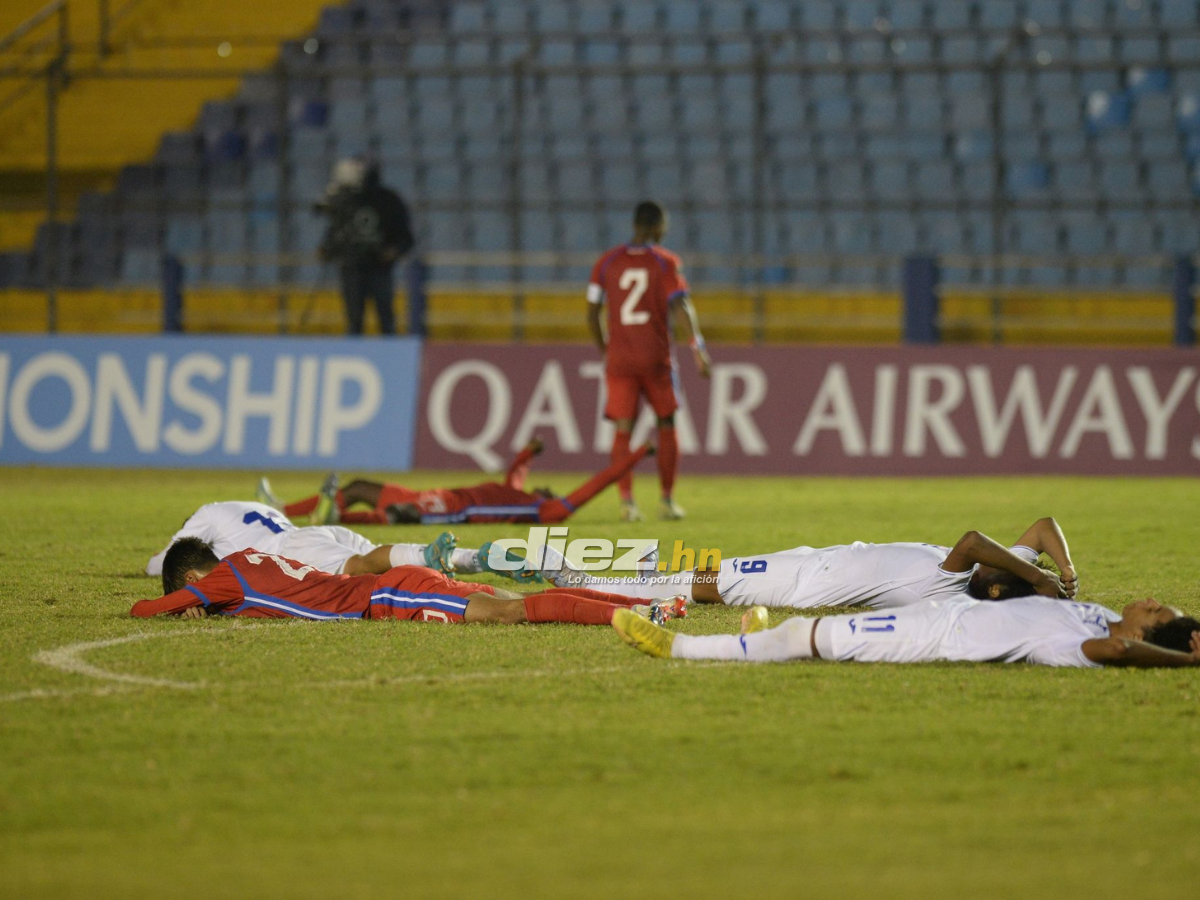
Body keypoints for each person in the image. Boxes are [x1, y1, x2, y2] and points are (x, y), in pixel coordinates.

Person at [132, 537, 688, 628]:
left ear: (191, 577)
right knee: (515, 600)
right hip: (394, 582)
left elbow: (142, 611)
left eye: (184, 591)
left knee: (504, 613)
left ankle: (633, 616)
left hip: (387, 596)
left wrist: (177, 603)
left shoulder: (217, 582)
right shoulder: (250, 558)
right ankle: (653, 599)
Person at [539, 517, 1078, 610]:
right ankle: (614, 577)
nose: (1017, 558)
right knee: (698, 574)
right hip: (816, 560)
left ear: (998, 588)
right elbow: (1043, 527)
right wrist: (1066, 574)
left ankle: (586, 582)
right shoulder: (1001, 574)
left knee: (701, 584)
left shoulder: (958, 585)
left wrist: (1037, 577)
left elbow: (974, 539)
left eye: (1008, 567)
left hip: (804, 585)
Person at [612, 597, 1200, 670]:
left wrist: (1189, 663)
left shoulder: (1089, 646)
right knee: (806, 630)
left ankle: (679, 646)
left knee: (806, 640)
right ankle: (754, 629)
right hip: (936, 614)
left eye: (1159, 612)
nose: (1151, 602)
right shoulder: (1095, 613)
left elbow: (1122, 650)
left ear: (1154, 633)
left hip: (934, 638)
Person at [587, 200, 711, 523]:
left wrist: (605, 350)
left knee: (622, 429)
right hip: (656, 360)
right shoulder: (666, 262)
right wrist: (698, 348)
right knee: (666, 423)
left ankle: (627, 503)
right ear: (657, 227)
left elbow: (590, 311)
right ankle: (667, 500)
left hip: (621, 360)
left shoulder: (607, 262)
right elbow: (682, 307)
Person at [262, 439, 654, 526]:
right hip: (437, 493)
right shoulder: (520, 493)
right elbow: (517, 471)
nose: (550, 490)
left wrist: (636, 455)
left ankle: (334, 519)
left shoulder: (543, 510)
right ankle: (285, 508)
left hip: (452, 509)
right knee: (361, 486)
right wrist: (530, 452)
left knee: (396, 516)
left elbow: (597, 483)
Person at [145, 500, 538, 583]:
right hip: (313, 533)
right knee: (381, 561)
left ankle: (435, 555)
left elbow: (159, 565)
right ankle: (480, 558)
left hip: (290, 550)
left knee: (368, 566)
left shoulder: (203, 516)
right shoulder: (241, 507)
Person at [317, 157, 415, 336]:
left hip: (380, 268)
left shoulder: (388, 200)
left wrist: (394, 251)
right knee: (354, 320)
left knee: (386, 319)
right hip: (352, 266)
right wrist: (328, 248)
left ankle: (389, 354)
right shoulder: (346, 200)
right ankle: (354, 353)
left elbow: (406, 237)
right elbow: (336, 229)